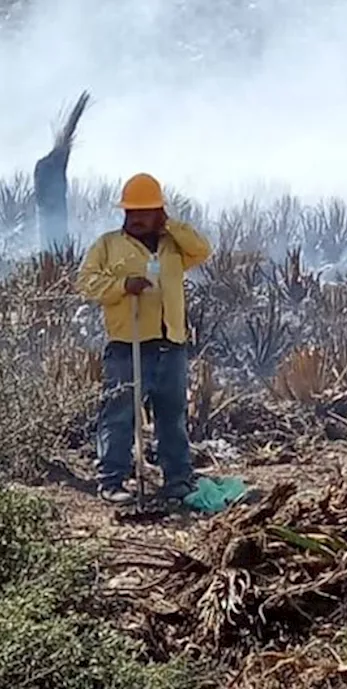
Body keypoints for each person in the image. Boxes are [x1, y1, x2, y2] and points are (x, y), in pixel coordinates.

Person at [77, 172, 212, 505]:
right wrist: (123, 286)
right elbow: (86, 282)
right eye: (131, 212)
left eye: (144, 211)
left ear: (158, 213)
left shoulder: (173, 247)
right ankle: (112, 480)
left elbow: (203, 250)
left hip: (172, 344)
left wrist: (171, 226)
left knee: (172, 414)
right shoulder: (108, 245)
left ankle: (178, 480)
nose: (135, 218)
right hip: (128, 344)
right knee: (120, 414)